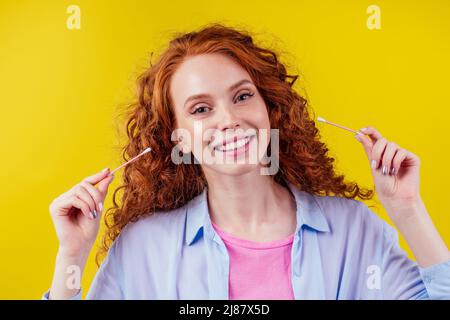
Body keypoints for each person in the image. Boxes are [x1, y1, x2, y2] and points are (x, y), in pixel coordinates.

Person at [43, 23, 450, 300]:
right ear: (178, 136)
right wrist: (72, 256)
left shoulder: (355, 230)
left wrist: (408, 211)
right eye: (201, 109)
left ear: (268, 107)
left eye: (242, 96)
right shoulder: (143, 248)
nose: (229, 120)